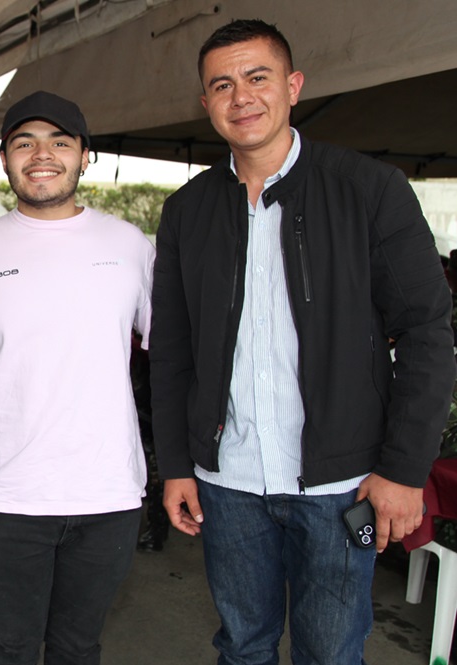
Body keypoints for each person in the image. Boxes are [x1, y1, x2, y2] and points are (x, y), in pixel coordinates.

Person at [150, 19, 455, 663]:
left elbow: (428, 331)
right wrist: (177, 463)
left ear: (293, 86)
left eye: (258, 78)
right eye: (222, 85)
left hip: (341, 487)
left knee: (331, 651)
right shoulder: (187, 211)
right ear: (205, 104)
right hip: (226, 482)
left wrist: (403, 469)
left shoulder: (370, 190)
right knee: (242, 645)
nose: (242, 97)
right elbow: (173, 351)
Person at [0, 91, 154, 665]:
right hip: (6, 495)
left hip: (107, 493)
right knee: (9, 648)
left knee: (77, 648)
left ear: (85, 155)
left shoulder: (131, 247)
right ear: (6, 160)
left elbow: (169, 354)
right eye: (24, 143)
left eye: (60, 141)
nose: (42, 155)